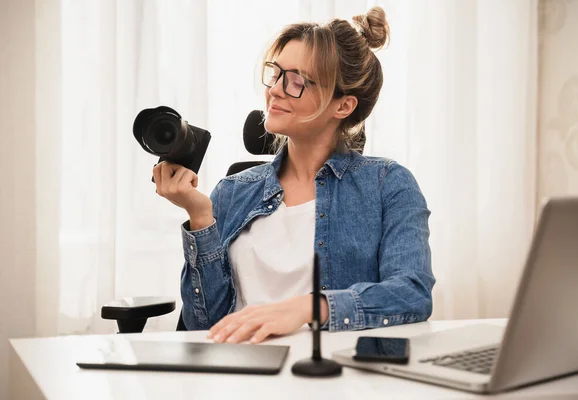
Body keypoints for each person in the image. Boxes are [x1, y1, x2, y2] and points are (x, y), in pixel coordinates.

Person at [153, 6, 435, 344]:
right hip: (239, 375)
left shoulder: (388, 185)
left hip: (331, 375)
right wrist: (199, 217)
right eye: (276, 74)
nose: (275, 90)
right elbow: (203, 325)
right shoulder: (231, 192)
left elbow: (411, 294)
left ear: (343, 106)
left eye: (297, 81)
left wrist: (308, 308)